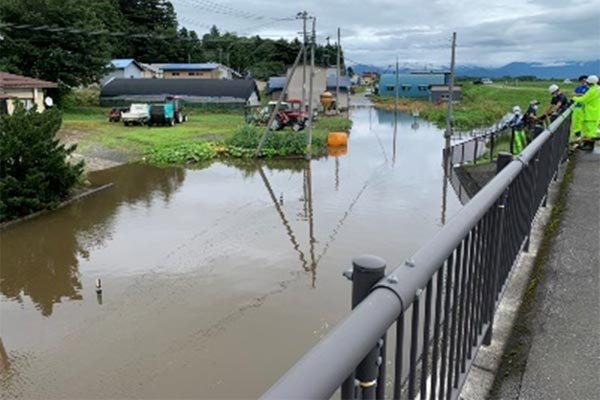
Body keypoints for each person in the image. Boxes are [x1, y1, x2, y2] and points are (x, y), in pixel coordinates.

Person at [572, 75, 600, 151]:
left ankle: (590, 146)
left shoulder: (593, 90)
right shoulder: (596, 89)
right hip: (591, 113)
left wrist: (574, 98)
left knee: (590, 132)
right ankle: (586, 144)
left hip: (591, 114)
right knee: (587, 131)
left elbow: (583, 99)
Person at [570, 75, 589, 140]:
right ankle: (577, 133)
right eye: (582, 81)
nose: (584, 82)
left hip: (585, 107)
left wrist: (578, 95)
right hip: (577, 106)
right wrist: (580, 94)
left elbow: (586, 96)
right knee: (576, 121)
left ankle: (584, 135)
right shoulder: (578, 88)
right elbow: (573, 94)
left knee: (583, 121)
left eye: (585, 80)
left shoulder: (589, 88)